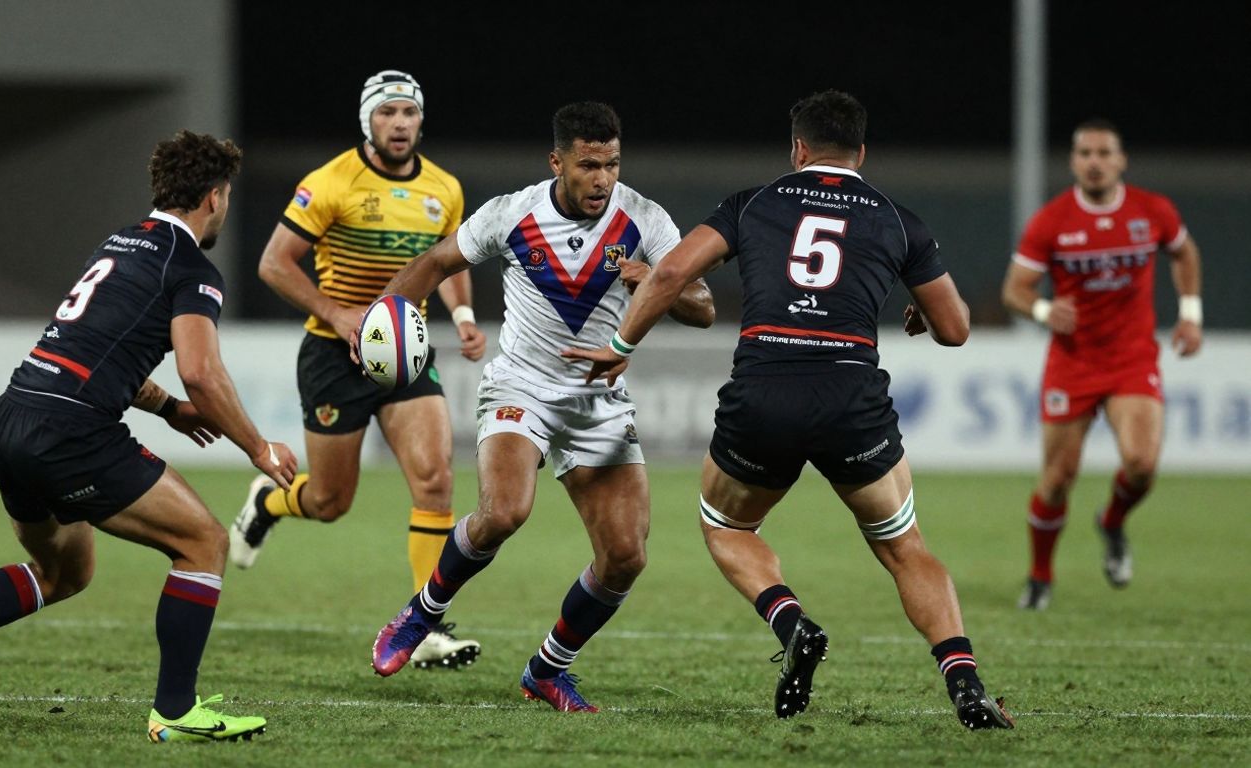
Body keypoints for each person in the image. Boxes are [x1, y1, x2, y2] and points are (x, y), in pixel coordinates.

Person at [565, 91, 1013, 730]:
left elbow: (666, 276)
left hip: (765, 390)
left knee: (726, 526)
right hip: (849, 396)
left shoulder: (753, 203)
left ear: (797, 149)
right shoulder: (895, 217)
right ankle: (965, 685)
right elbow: (957, 328)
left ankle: (791, 620)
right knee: (905, 548)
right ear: (861, 153)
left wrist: (619, 345)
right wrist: (923, 317)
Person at [0, 130, 299, 742]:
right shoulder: (190, 268)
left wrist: (166, 410)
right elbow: (202, 372)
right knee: (204, 543)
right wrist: (260, 450)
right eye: (228, 195)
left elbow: (96, 352)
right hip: (71, 435)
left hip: (12, 421)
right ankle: (176, 712)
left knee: (64, 574)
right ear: (214, 197)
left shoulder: (120, 243)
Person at [368, 101, 714, 712]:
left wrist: (655, 281)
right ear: (557, 161)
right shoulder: (512, 212)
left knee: (626, 556)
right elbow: (432, 264)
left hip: (598, 398)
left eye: (611, 164)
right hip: (520, 386)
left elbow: (704, 307)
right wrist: (379, 321)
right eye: (588, 165)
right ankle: (422, 614)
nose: (602, 179)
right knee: (504, 511)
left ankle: (548, 669)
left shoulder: (647, 219)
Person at [229, 70, 487, 671]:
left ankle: (424, 625)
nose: (400, 124)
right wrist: (338, 314)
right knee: (328, 501)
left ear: (422, 120)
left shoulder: (444, 189)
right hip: (332, 356)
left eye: (409, 113)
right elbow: (274, 264)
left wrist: (465, 314)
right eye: (388, 113)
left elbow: (447, 260)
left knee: (435, 481)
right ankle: (268, 504)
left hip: (404, 357)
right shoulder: (330, 182)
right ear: (367, 121)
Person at [1003, 118, 1202, 611]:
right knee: (1057, 479)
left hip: (1132, 358)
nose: (1094, 162)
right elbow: (1015, 290)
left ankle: (1111, 522)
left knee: (1141, 463)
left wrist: (1191, 313)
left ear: (1120, 160)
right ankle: (1040, 576)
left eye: (1104, 153)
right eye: (1085, 153)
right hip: (1073, 364)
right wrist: (1046, 311)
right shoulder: (1052, 221)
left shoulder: (1151, 210)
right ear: (1074, 162)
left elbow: (1184, 253)